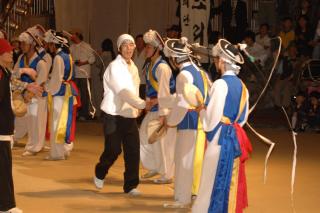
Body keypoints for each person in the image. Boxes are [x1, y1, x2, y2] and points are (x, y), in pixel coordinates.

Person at [192, 38, 251, 213]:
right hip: (233, 137)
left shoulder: (219, 84)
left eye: (218, 59)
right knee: (226, 180)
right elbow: (243, 119)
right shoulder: (243, 86)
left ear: (223, 61)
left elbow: (211, 120)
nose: (216, 62)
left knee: (210, 180)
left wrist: (201, 110)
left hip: (219, 138)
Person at [94, 34, 147, 196]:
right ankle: (100, 171)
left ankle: (131, 185)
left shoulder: (134, 67)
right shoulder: (114, 67)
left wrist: (137, 108)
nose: (129, 48)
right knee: (113, 149)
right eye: (125, 45)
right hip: (113, 115)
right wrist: (143, 104)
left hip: (129, 115)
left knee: (133, 150)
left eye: (131, 44)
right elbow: (122, 91)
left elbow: (135, 89)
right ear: (119, 48)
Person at [164, 37, 210, 208]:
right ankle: (187, 195)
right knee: (192, 160)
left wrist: (170, 121)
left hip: (188, 120)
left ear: (175, 59)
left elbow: (182, 104)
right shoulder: (200, 71)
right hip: (200, 119)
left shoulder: (183, 75)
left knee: (184, 161)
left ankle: (182, 199)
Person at [139, 30, 176, 184]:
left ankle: (167, 174)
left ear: (157, 49)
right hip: (155, 107)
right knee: (145, 134)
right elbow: (150, 88)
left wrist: (163, 114)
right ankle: (156, 166)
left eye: (149, 47)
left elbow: (165, 93)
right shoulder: (150, 65)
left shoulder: (162, 67)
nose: (146, 49)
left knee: (163, 142)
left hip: (164, 109)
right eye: (146, 46)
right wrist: (147, 104)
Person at [44, 30, 80, 160]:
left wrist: (47, 88)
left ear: (54, 45)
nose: (49, 46)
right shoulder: (68, 56)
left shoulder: (59, 58)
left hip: (59, 93)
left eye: (49, 44)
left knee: (56, 123)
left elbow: (56, 79)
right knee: (63, 122)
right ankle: (63, 150)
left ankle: (57, 153)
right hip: (67, 91)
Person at [13, 29, 49, 156]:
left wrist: (31, 94)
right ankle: (16, 139)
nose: (21, 46)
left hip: (37, 96)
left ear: (32, 44)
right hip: (24, 93)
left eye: (24, 43)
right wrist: (22, 89)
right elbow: (14, 74)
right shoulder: (21, 58)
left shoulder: (41, 62)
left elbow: (42, 80)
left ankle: (34, 147)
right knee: (22, 119)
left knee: (36, 122)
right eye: (21, 43)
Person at [0, 38, 23, 213]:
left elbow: (13, 84)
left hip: (4, 127)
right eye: (8, 52)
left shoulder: (4, 71)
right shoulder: (1, 74)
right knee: (4, 169)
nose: (12, 54)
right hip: (1, 129)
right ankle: (7, 206)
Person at [70, 30, 96, 120]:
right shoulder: (71, 47)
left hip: (85, 74)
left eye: (73, 35)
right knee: (74, 95)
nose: (71, 37)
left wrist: (83, 62)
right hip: (74, 74)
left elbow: (93, 58)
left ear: (78, 36)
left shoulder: (86, 46)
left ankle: (84, 114)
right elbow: (69, 59)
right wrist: (73, 62)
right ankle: (75, 113)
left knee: (85, 95)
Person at [92, 38, 115, 118]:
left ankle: (102, 114)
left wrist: (97, 54)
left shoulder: (105, 53)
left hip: (105, 77)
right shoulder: (112, 54)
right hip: (110, 77)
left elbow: (98, 64)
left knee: (102, 95)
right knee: (107, 95)